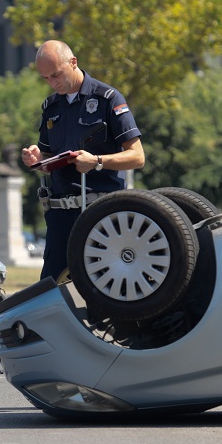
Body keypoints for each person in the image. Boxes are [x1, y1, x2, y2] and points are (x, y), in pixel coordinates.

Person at [21, 40, 145, 281]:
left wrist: (97, 161)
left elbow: (137, 156)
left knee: (104, 285)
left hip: (99, 213)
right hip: (59, 216)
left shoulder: (108, 98)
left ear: (73, 62)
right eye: (45, 78)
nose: (52, 83)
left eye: (56, 74)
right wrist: (37, 157)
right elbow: (47, 156)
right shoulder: (51, 106)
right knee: (51, 287)